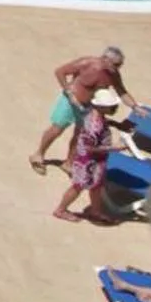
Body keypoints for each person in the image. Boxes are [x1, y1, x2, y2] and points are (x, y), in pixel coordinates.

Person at [34, 46, 133, 171]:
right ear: (105, 59)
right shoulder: (87, 63)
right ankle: (38, 154)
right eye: (116, 64)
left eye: (120, 65)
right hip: (70, 101)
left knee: (79, 135)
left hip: (88, 106)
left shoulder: (113, 74)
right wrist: (69, 92)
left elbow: (122, 91)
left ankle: (68, 163)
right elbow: (60, 72)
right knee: (57, 128)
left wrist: (135, 107)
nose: (118, 68)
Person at [55, 87, 130, 222]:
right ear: (101, 107)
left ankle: (96, 211)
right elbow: (90, 148)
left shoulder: (94, 114)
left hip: (96, 160)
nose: (114, 107)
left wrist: (117, 124)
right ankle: (60, 210)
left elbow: (103, 124)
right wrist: (115, 148)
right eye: (110, 105)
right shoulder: (94, 126)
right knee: (78, 186)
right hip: (87, 161)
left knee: (96, 186)